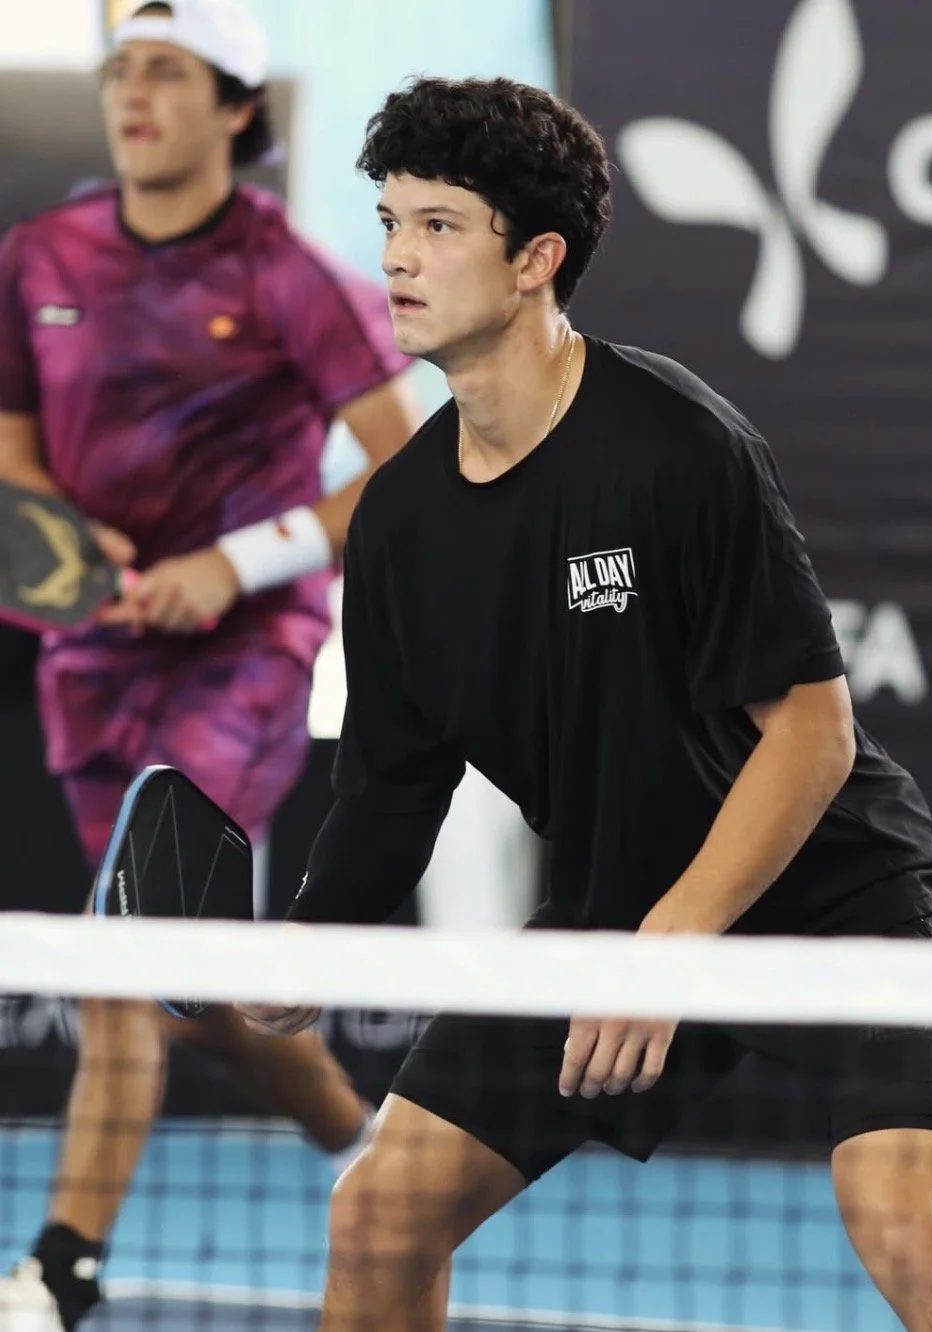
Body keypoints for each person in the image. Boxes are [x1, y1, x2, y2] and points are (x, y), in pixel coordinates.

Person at [246, 76, 932, 1332]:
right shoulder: (397, 520)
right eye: (390, 219)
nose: (396, 255)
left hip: (832, 909)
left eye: (439, 225)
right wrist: (308, 933)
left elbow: (812, 730)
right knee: (380, 1210)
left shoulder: (674, 447)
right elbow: (395, 786)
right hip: (614, 914)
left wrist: (664, 951)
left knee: (917, 1236)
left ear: (534, 260)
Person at [0, 2, 422, 1328]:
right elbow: (9, 453)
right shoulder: (39, 254)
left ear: (237, 106)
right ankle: (364, 1141)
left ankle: (60, 1266)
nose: (135, 94)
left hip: (242, 658)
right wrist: (67, 537)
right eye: (123, 70)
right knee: (199, 981)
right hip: (93, 657)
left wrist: (235, 565)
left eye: (168, 72)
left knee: (127, 940)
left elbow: (405, 474)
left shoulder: (289, 269)